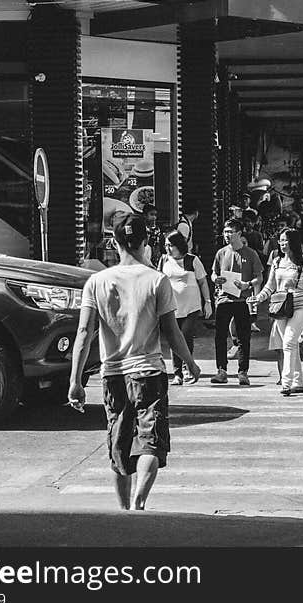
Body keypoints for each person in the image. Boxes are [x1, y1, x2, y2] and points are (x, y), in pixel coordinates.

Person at [68, 213, 200, 511]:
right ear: (146, 242)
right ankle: (140, 500)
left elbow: (83, 333)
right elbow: (172, 332)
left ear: (115, 243)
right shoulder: (157, 280)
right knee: (150, 443)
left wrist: (75, 381)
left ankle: (125, 510)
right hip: (149, 374)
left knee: (120, 447)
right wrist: (190, 363)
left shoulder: (97, 282)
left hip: (112, 375)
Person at [251, 228, 303, 396]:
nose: (282, 244)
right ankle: (298, 382)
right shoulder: (276, 262)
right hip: (280, 307)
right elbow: (270, 285)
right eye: (280, 240)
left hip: (301, 306)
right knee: (291, 345)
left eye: (285, 240)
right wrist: (258, 298)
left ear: (293, 242)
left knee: (288, 342)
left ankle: (286, 382)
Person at [211, 218, 264, 385]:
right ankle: (221, 371)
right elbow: (213, 273)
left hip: (242, 300)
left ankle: (243, 372)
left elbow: (259, 277)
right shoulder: (221, 253)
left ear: (239, 234)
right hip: (223, 299)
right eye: (225, 232)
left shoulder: (250, 254)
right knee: (220, 336)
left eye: (230, 232)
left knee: (243, 337)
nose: (227, 235)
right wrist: (216, 279)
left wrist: (247, 284)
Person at [158, 230, 213, 385]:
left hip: (191, 306)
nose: (168, 249)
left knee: (185, 335)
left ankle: (188, 367)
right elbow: (158, 281)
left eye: (171, 245)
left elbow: (203, 282)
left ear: (179, 245)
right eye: (166, 245)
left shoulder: (192, 260)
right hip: (171, 307)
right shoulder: (164, 261)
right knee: (173, 338)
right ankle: (177, 373)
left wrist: (207, 302)